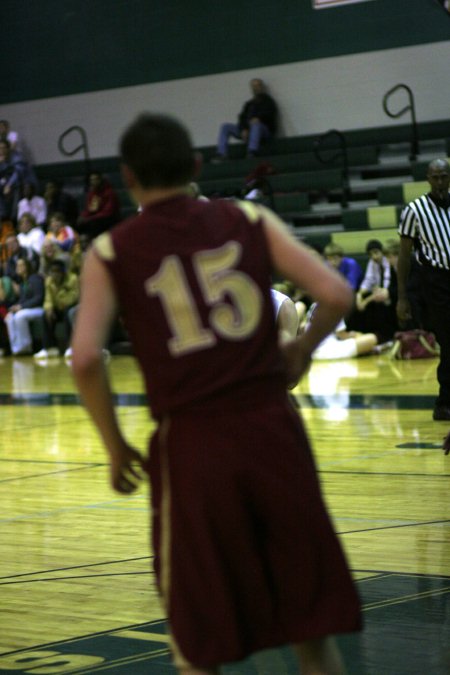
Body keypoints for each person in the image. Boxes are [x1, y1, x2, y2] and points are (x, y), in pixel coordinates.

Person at [71, 113, 361, 675]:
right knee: (310, 629)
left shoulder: (111, 251)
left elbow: (84, 358)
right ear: (197, 166)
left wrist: (114, 446)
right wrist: (300, 350)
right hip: (274, 431)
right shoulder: (247, 218)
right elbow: (335, 292)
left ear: (127, 178)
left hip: (194, 445)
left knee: (198, 642)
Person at [397, 158, 450, 421]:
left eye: (444, 176)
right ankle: (444, 402)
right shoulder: (414, 211)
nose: (440, 181)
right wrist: (402, 297)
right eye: (435, 177)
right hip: (436, 281)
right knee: (449, 341)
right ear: (428, 179)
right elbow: (404, 257)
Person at [213, 79, 278, 161]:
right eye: (253, 86)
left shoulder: (269, 102)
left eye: (257, 85)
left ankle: (252, 151)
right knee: (225, 126)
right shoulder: (249, 104)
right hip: (249, 130)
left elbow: (270, 115)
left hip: (264, 130)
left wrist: (259, 118)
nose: (256, 88)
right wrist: (244, 129)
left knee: (256, 125)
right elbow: (242, 118)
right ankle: (221, 153)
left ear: (262, 87)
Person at [34, 259, 79, 359]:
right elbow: (48, 298)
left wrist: (62, 302)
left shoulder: (73, 279)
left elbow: (74, 296)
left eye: (57, 271)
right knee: (45, 315)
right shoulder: (49, 281)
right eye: (52, 271)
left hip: (70, 306)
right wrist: (49, 308)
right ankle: (50, 348)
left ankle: (71, 347)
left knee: (69, 313)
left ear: (63, 271)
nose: (55, 274)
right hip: (57, 308)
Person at [355, 239, 397, 342]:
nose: (374, 256)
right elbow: (368, 280)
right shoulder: (372, 263)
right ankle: (371, 333)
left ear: (382, 252)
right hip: (379, 292)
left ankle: (388, 335)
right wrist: (359, 295)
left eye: (376, 253)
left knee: (378, 301)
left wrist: (365, 302)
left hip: (391, 292)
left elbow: (387, 287)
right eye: (371, 254)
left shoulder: (388, 261)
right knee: (362, 301)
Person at [4, 258, 44, 355]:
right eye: (17, 265)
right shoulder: (23, 282)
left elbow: (39, 298)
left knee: (20, 316)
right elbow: (22, 300)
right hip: (27, 309)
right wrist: (16, 307)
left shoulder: (35, 279)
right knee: (9, 317)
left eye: (21, 265)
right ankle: (15, 348)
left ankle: (26, 347)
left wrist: (21, 306)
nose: (18, 267)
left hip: (38, 308)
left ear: (27, 266)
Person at [76, 171, 121, 238]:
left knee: (94, 224)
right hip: (96, 218)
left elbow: (108, 212)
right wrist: (83, 216)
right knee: (78, 224)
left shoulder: (109, 192)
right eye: (92, 180)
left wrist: (90, 218)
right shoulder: (92, 193)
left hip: (110, 219)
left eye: (96, 179)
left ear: (100, 179)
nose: (94, 181)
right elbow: (89, 209)